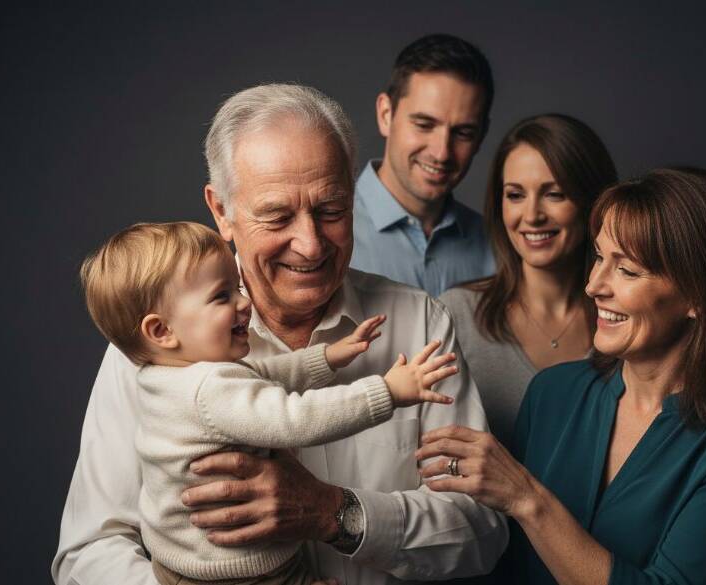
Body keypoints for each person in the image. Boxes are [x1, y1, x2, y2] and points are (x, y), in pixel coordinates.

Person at [52, 84, 508, 585]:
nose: (310, 245)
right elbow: (88, 553)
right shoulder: (155, 351)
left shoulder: (420, 324)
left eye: (331, 210)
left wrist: (336, 514)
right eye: (277, 216)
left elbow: (482, 531)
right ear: (221, 211)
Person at [418, 168, 706, 584]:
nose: (594, 286)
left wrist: (527, 498)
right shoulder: (552, 392)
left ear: (700, 295)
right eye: (600, 258)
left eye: (628, 270)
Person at [78, 221, 458, 585]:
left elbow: (257, 375)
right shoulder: (208, 389)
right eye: (222, 296)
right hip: (241, 575)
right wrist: (386, 391)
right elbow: (296, 419)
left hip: (179, 566)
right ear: (162, 330)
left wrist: (325, 358)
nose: (243, 303)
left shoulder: (165, 375)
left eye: (237, 288)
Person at [439, 114, 617, 448]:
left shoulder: (623, 322)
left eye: (555, 194)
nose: (532, 216)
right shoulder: (455, 315)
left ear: (593, 202)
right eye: (515, 195)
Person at [351, 34, 496, 296]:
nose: (442, 153)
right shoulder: (325, 236)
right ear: (386, 115)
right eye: (424, 125)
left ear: (481, 136)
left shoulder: (498, 247)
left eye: (463, 133)